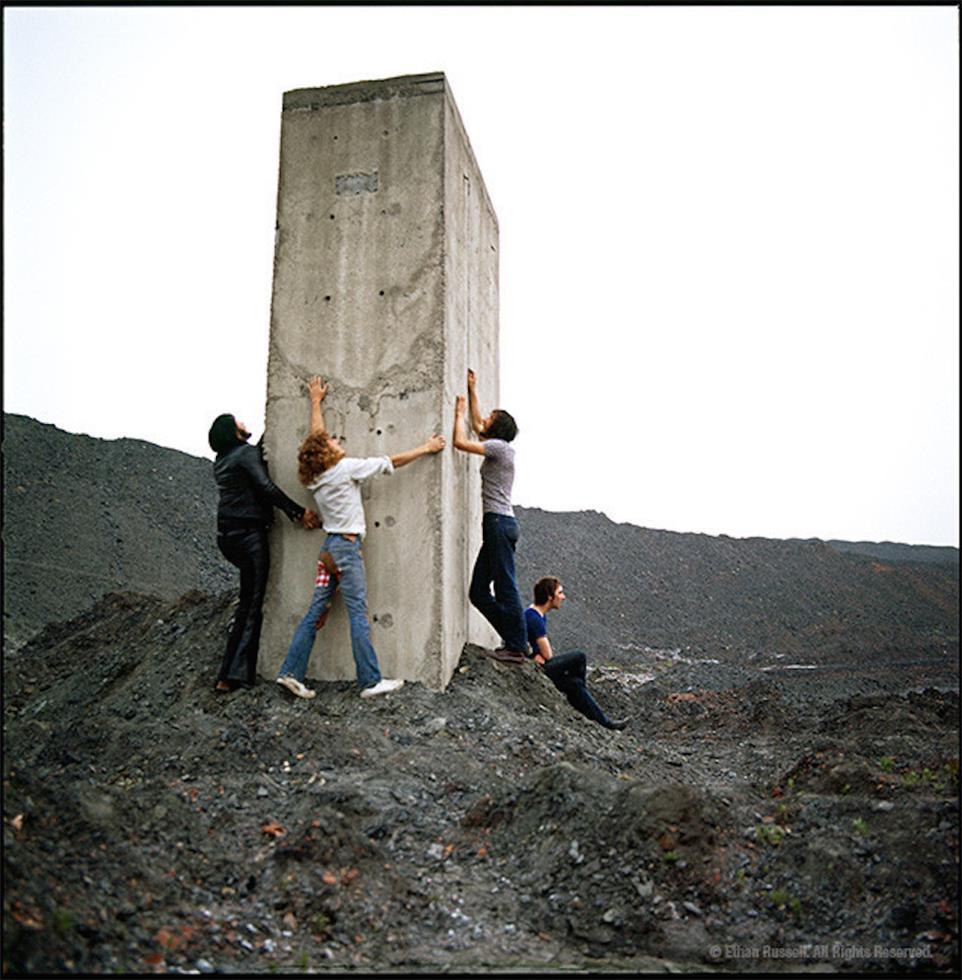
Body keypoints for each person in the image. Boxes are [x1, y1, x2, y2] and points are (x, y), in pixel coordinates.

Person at [276, 376, 445, 699]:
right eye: (334, 443)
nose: (338, 441)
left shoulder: (316, 477)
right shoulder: (346, 468)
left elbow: (316, 436)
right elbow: (390, 462)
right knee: (357, 612)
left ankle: (290, 672)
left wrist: (315, 402)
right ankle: (370, 681)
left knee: (315, 612)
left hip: (328, 550)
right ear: (327, 454)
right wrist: (427, 447)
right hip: (346, 550)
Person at [209, 412, 320, 693]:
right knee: (251, 604)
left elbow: (253, 462)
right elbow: (265, 486)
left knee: (246, 601)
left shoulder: (223, 460)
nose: (243, 424)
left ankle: (231, 672)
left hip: (228, 536)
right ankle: (233, 675)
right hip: (248, 535)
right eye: (239, 423)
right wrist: (297, 512)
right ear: (232, 432)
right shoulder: (244, 455)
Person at [452, 368, 528, 662]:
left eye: (490, 417)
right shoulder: (498, 446)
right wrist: (472, 390)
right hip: (496, 524)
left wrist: (458, 413)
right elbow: (478, 423)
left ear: (498, 428)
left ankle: (517, 645)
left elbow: (461, 441)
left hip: (499, 523)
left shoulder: (500, 448)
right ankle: (514, 638)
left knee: (505, 584)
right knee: (478, 592)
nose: (485, 420)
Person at [525, 576, 628, 730]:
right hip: (537, 669)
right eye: (560, 593)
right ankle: (585, 703)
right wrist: (535, 655)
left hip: (539, 665)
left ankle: (605, 722)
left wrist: (536, 653)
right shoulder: (534, 618)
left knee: (576, 684)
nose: (563, 597)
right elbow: (548, 655)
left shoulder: (535, 614)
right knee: (579, 657)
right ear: (549, 597)